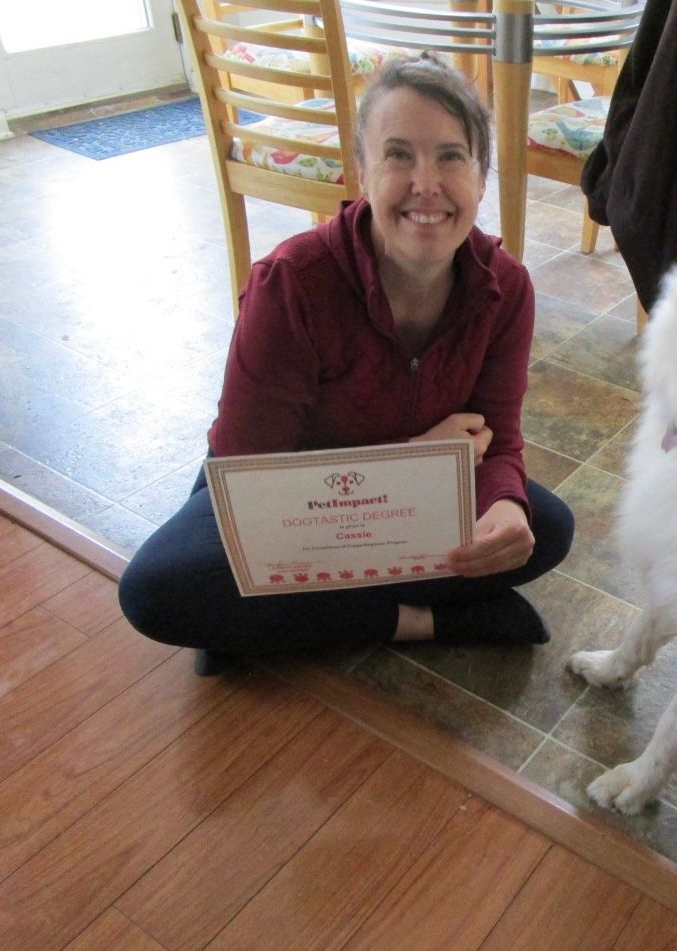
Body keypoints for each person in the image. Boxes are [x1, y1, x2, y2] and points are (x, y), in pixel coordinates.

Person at [118, 55, 574, 670]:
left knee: (546, 527)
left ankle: (277, 620)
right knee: (157, 588)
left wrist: (504, 505)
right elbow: (254, 476)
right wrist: (411, 456)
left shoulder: (507, 288)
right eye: (397, 155)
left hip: (413, 494)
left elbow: (500, 441)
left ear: (481, 174)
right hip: (286, 496)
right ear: (361, 170)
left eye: (450, 156)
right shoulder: (292, 283)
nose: (427, 184)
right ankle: (423, 621)